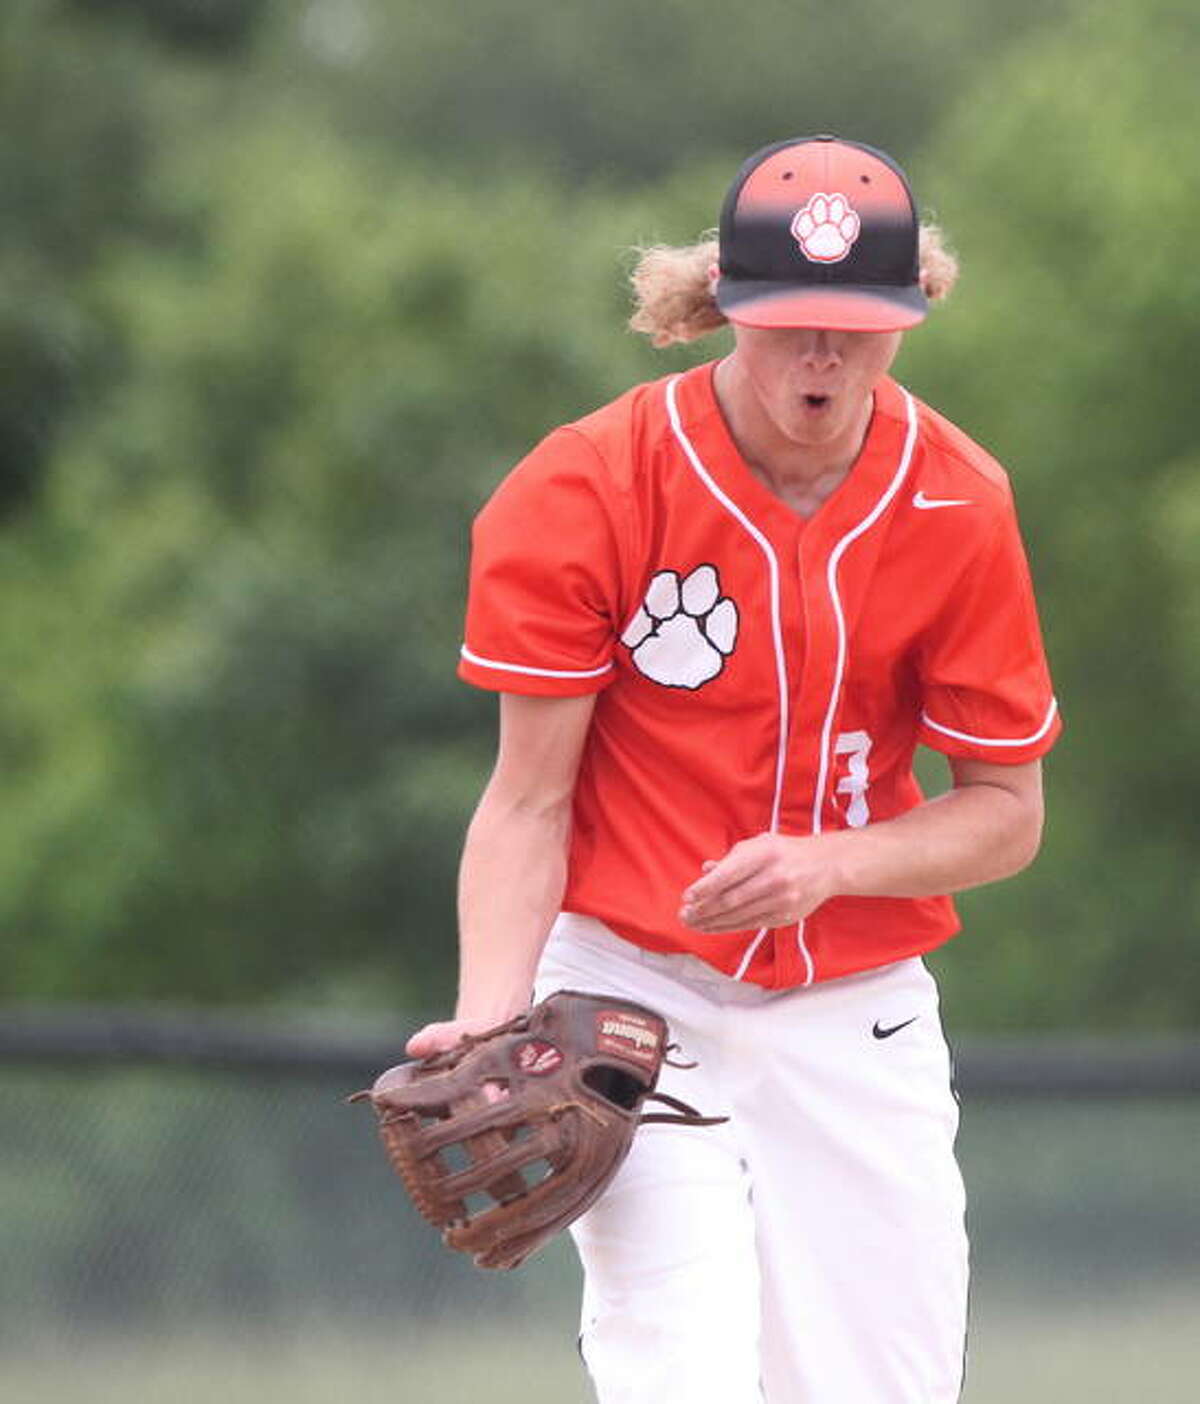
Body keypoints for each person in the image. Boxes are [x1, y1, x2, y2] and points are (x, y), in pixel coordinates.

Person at [408, 134, 1061, 1404]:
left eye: (854, 324)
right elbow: (529, 799)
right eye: (788, 322)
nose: (821, 356)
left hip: (855, 1008)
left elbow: (1007, 813)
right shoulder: (587, 485)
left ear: (911, 314)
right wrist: (492, 1011)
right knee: (681, 1370)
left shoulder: (958, 503)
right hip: (627, 995)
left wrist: (835, 863)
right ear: (723, 311)